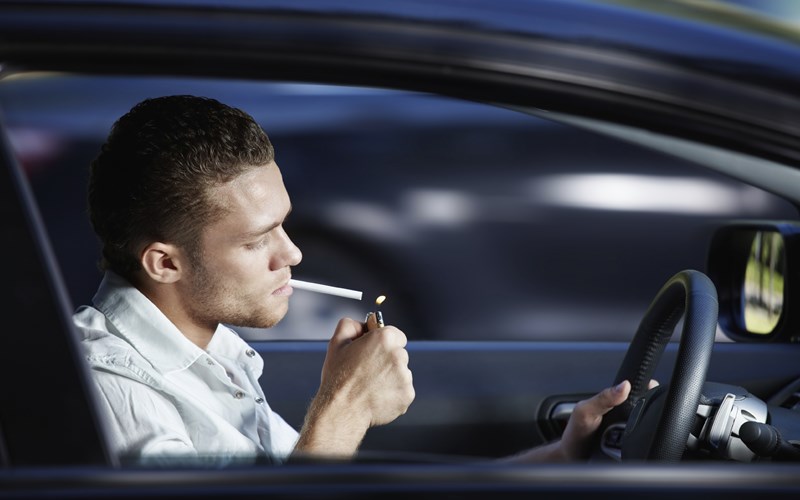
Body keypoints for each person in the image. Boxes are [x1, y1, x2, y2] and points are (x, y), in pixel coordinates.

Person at [74, 95, 635, 465]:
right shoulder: (112, 390)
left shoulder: (210, 352)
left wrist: (562, 457)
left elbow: (312, 481)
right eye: (255, 241)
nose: (290, 253)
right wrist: (346, 402)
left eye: (284, 226)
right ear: (164, 264)